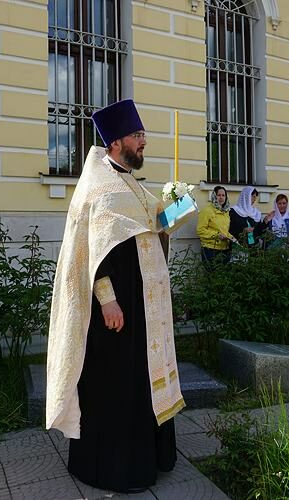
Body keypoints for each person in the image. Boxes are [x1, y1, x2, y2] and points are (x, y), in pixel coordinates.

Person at [45, 99, 184, 494]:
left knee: (141, 378)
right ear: (117, 140)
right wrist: (107, 299)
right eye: (138, 136)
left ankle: (154, 455)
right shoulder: (99, 186)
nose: (144, 143)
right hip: (115, 311)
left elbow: (156, 226)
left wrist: (178, 204)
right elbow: (91, 251)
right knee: (116, 384)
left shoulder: (133, 185)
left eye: (143, 136)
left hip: (144, 307)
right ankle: (114, 467)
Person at [196, 185, 232, 264]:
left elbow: (224, 230)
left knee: (222, 275)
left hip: (225, 249)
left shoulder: (226, 212)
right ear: (214, 196)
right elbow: (200, 230)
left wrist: (230, 238)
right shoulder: (207, 211)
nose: (221, 198)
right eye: (219, 195)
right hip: (210, 249)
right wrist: (217, 235)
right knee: (211, 274)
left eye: (223, 195)